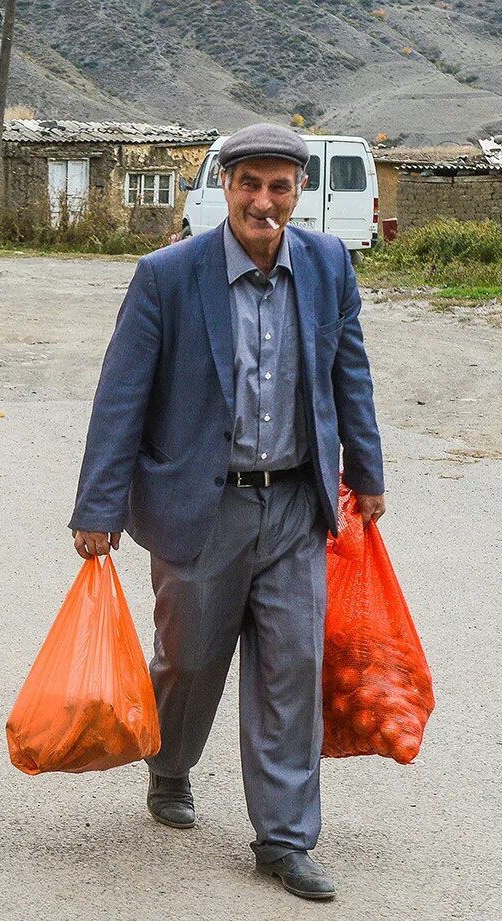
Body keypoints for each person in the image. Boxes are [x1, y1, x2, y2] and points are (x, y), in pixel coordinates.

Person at [68, 123, 385, 901]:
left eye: (281, 187)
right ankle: (169, 764)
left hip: (294, 506)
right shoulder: (167, 276)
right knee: (191, 659)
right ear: (226, 186)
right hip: (198, 509)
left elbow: (351, 374)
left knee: (291, 670)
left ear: (298, 193)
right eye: (251, 184)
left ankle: (284, 837)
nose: (265, 201)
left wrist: (367, 474)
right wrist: (98, 507)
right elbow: (122, 399)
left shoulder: (328, 264)